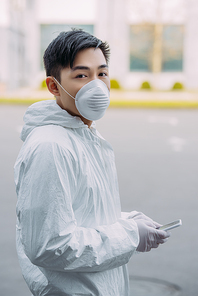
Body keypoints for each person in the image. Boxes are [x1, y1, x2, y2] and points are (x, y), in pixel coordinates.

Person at [14, 29, 170, 296]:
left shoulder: (83, 134)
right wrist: (130, 235)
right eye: (82, 75)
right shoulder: (51, 146)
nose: (97, 85)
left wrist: (127, 220)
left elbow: (78, 214)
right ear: (54, 86)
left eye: (102, 73)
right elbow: (50, 245)